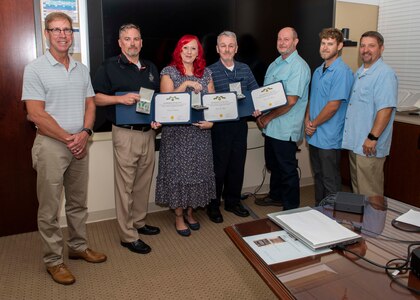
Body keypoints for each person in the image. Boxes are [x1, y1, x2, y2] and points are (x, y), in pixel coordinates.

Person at [21, 12, 106, 285]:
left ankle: (79, 247)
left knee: (78, 202)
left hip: (80, 142)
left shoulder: (81, 69)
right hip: (51, 146)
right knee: (49, 208)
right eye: (56, 30)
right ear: (47, 34)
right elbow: (36, 114)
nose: (62, 34)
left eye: (67, 30)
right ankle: (54, 261)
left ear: (73, 34)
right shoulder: (34, 69)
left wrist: (85, 133)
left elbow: (90, 104)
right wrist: (69, 137)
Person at [92, 24, 160, 254]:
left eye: (136, 39)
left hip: (148, 133)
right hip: (125, 134)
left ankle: (139, 223)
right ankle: (127, 235)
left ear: (141, 42)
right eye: (127, 39)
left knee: (143, 182)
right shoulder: (109, 66)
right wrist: (119, 100)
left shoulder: (150, 67)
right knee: (125, 187)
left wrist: (157, 119)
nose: (132, 43)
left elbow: (155, 100)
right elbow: (95, 99)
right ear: (120, 43)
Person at [152, 35, 216, 236]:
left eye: (193, 49)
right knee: (178, 175)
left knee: (197, 174)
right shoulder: (168, 72)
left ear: (199, 52)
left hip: (200, 134)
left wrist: (211, 122)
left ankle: (190, 213)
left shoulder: (206, 73)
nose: (189, 52)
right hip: (176, 136)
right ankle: (179, 217)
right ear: (178, 50)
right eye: (185, 48)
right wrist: (186, 84)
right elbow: (166, 103)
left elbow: (213, 103)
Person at [253, 27, 311, 210]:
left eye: (287, 39)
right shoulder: (274, 64)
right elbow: (265, 95)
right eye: (279, 39)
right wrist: (259, 113)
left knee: (287, 170)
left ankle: (291, 208)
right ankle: (276, 196)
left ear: (295, 41)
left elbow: (291, 101)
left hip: (286, 128)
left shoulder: (299, 67)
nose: (282, 42)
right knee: (273, 165)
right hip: (271, 127)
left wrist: (268, 117)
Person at [206, 31, 259, 223]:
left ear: (236, 49)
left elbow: (255, 93)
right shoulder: (209, 71)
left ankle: (232, 201)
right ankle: (213, 205)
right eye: (223, 45)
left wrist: (256, 108)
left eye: (230, 46)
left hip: (240, 125)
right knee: (218, 168)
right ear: (217, 48)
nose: (227, 49)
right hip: (219, 128)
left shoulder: (245, 69)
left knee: (237, 165)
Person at [342, 31, 398, 197]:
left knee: (370, 193)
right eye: (363, 45)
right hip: (356, 143)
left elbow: (385, 109)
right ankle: (361, 223)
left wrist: (372, 138)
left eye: (371, 46)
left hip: (369, 146)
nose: (366, 49)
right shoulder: (359, 73)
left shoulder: (385, 74)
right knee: (358, 192)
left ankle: (373, 223)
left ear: (381, 48)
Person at [304, 28, 354, 206]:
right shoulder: (318, 71)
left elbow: (333, 106)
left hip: (329, 137)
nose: (325, 47)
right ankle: (319, 213)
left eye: (330, 44)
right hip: (314, 135)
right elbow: (313, 99)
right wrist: (306, 121)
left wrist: (314, 124)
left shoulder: (342, 72)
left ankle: (334, 220)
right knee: (318, 177)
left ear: (339, 46)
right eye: (323, 43)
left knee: (330, 180)